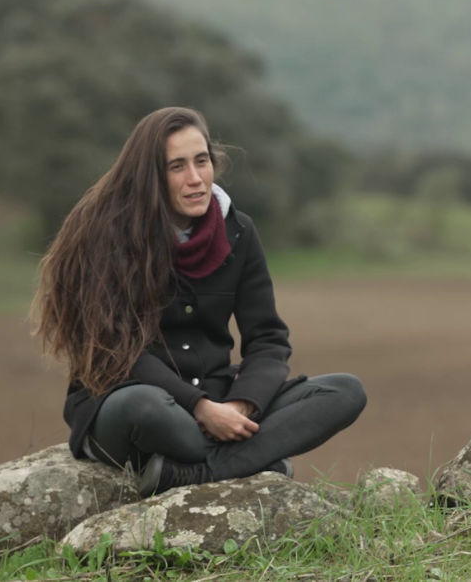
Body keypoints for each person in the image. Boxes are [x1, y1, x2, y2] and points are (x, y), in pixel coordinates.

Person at [33, 106, 366, 497]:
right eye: (176, 167)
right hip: (130, 404)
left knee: (345, 391)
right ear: (150, 176)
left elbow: (268, 339)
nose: (195, 179)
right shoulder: (105, 234)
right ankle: (255, 462)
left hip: (222, 399)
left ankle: (194, 474)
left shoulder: (239, 232)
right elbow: (117, 350)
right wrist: (200, 408)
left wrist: (242, 405)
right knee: (149, 408)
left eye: (202, 161)